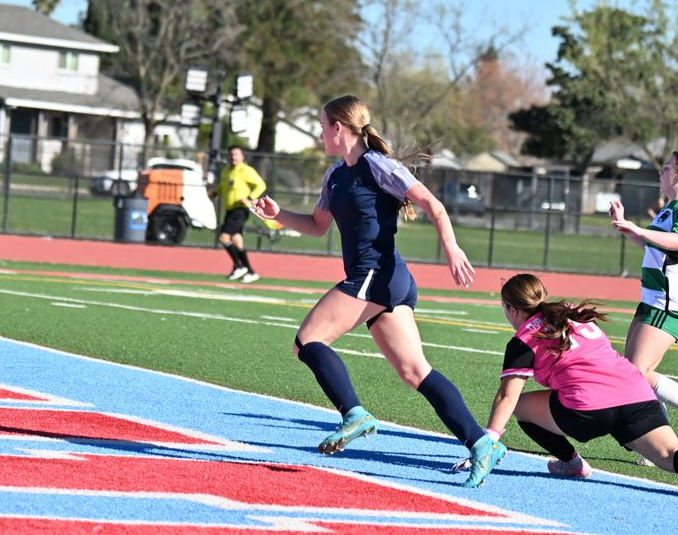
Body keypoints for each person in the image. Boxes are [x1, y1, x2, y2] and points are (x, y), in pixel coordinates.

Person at [251, 94, 506, 488]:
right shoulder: (335, 175)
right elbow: (319, 226)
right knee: (415, 371)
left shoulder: (377, 165)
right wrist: (277, 215)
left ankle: (354, 414)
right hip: (386, 281)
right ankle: (480, 443)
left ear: (339, 128)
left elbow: (433, 205)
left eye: (322, 126)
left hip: (377, 275)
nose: (320, 133)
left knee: (307, 341)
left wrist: (452, 248)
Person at [474, 273, 678, 504]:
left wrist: (489, 439)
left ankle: (571, 463)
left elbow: (507, 396)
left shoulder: (524, 338)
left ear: (512, 309)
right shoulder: (569, 313)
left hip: (588, 408)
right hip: (635, 392)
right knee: (671, 455)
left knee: (521, 408)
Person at [608, 150, 678, 450]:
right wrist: (625, 225)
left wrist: (638, 228)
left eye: (667, 166)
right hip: (653, 299)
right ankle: (656, 434)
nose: (662, 171)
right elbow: (652, 246)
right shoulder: (670, 208)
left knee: (638, 370)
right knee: (632, 372)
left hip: (668, 303)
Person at [212, 146, 267, 283]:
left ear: (242, 157)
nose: (233, 157)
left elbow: (261, 185)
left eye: (236, 155)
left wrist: (250, 197)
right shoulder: (226, 170)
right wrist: (215, 192)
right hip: (230, 210)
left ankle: (239, 265)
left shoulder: (245, 170)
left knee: (223, 237)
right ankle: (251, 272)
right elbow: (223, 186)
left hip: (240, 210)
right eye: (231, 154)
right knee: (237, 240)